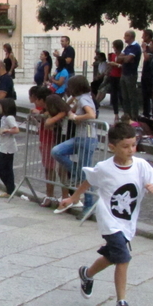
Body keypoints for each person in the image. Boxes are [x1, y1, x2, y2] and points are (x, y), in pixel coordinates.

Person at [59, 122, 153, 306]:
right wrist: (73, 198)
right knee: (123, 258)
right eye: (125, 146)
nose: (131, 150)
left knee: (113, 256)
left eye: (133, 145)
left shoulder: (141, 166)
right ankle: (121, 302)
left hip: (127, 222)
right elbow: (89, 180)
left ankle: (87, 274)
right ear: (112, 147)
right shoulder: (104, 167)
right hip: (109, 220)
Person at [52, 75, 98, 210]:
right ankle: (77, 173)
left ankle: (88, 206)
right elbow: (67, 107)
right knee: (57, 151)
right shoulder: (81, 98)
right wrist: (72, 99)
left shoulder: (84, 99)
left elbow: (91, 115)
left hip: (87, 137)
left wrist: (76, 117)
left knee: (86, 174)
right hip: (80, 137)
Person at [33, 89, 68, 207]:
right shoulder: (44, 112)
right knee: (49, 169)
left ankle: (65, 197)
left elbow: (49, 124)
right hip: (46, 141)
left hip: (56, 141)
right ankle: (49, 195)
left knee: (62, 170)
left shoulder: (55, 114)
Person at [0, 98, 20, 198]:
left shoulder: (9, 118)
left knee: (0, 168)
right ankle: (10, 190)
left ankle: (10, 187)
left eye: (0, 106)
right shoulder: (3, 118)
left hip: (8, 147)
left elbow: (16, 130)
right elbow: (2, 131)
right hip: (3, 145)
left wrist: (6, 130)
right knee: (8, 168)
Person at [117, 30, 142, 120]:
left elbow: (128, 59)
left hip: (131, 74)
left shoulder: (135, 47)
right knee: (124, 96)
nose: (124, 38)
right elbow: (118, 59)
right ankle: (126, 115)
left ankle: (134, 116)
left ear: (131, 36)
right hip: (124, 73)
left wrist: (125, 58)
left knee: (131, 96)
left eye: (126, 36)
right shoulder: (127, 48)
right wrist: (125, 58)